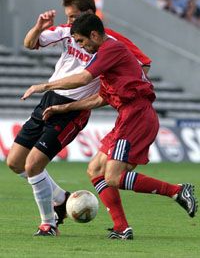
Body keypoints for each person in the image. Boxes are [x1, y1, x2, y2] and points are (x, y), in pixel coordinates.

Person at [22, 13, 198, 240]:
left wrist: (44, 85)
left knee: (114, 177)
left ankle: (176, 190)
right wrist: (64, 108)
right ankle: (121, 227)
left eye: (83, 41)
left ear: (94, 34)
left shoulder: (110, 50)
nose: (82, 47)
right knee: (95, 170)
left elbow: (84, 78)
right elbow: (100, 98)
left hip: (137, 116)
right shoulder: (107, 59)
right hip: (127, 116)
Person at [7, 0, 152, 237]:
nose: (70, 22)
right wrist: (39, 26)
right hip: (49, 101)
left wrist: (116, 86)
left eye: (74, 17)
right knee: (15, 162)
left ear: (88, 14)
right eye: (68, 17)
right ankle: (60, 199)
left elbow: (144, 64)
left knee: (33, 165)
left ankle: (48, 224)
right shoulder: (66, 32)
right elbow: (29, 43)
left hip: (73, 109)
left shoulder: (112, 42)